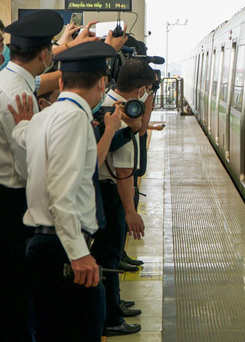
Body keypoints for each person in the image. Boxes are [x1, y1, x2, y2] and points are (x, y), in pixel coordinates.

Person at [0, 10, 64, 341]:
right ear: (44, 55)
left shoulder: (4, 81)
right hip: (11, 206)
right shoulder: (18, 94)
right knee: (13, 305)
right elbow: (30, 165)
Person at [18, 41, 118, 341]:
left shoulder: (43, 117)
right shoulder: (75, 119)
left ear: (61, 81)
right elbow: (62, 192)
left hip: (42, 245)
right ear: (102, 83)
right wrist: (79, 254)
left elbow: (28, 149)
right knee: (80, 328)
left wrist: (21, 127)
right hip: (62, 249)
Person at [93, 59, 156, 336]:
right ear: (141, 88)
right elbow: (122, 171)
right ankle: (111, 318)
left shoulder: (119, 108)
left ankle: (115, 303)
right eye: (148, 91)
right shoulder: (116, 114)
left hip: (110, 193)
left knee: (112, 256)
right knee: (109, 259)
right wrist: (130, 211)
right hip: (112, 195)